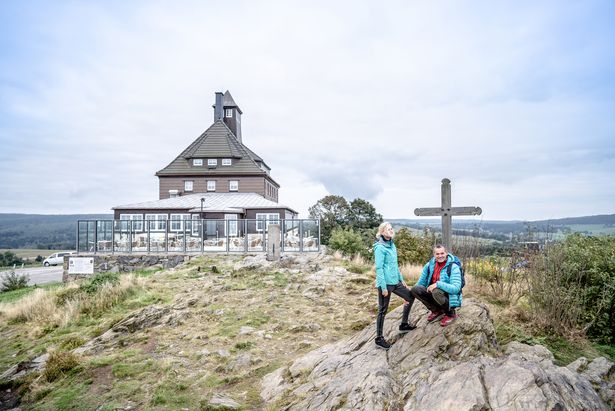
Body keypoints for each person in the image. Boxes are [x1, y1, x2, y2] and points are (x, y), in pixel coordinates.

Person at [374, 222, 415, 350]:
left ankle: (404, 324)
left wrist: (401, 279)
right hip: (385, 284)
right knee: (383, 310)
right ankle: (379, 339)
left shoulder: (392, 245)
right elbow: (379, 268)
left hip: (395, 282)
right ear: (382, 232)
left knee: (410, 297)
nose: (391, 231)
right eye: (388, 229)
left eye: (391, 229)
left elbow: (395, 264)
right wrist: (383, 287)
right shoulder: (380, 247)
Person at [410, 244, 462, 327]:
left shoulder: (453, 267)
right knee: (415, 289)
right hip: (434, 293)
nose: (440, 256)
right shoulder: (430, 265)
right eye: (437, 254)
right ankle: (436, 310)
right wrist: (408, 296)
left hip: (448, 296)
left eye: (442, 253)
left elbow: (456, 288)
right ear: (434, 255)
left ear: (446, 253)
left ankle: (450, 314)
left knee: (436, 291)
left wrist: (438, 284)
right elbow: (421, 282)